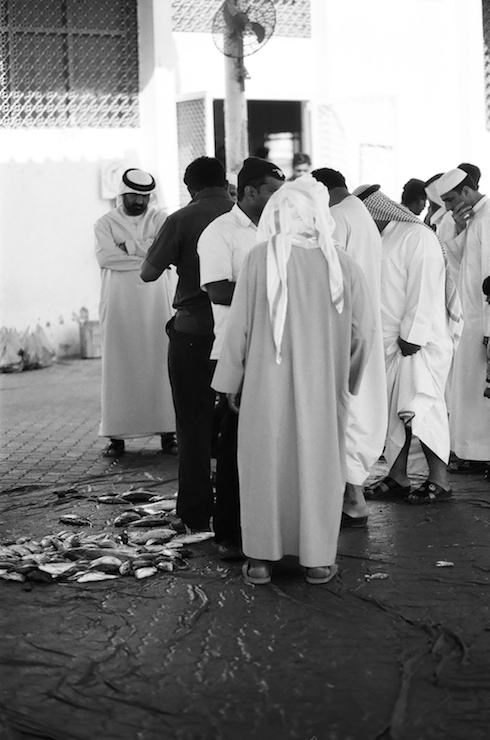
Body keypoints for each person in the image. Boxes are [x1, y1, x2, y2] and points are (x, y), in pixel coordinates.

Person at [212, 176, 375, 585]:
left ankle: (262, 562)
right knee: (318, 468)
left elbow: (238, 330)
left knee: (264, 467)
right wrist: (347, 382)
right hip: (323, 393)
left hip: (265, 392)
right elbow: (364, 334)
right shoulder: (343, 265)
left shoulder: (259, 258)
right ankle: (317, 561)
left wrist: (231, 381)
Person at [197, 157, 285, 560]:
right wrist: (275, 291)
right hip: (236, 354)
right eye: (272, 191)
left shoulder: (283, 232)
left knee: (276, 446)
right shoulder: (221, 232)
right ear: (250, 191)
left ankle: (273, 529)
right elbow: (216, 290)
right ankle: (229, 533)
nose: (279, 199)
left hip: (279, 353)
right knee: (234, 447)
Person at [140, 157, 234, 532]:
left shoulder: (181, 219)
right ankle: (235, 511)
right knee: (238, 423)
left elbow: (148, 273)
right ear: (226, 181)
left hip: (193, 332)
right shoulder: (248, 215)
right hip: (238, 335)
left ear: (190, 186)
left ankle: (196, 512)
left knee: (192, 423)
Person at [353, 184, 461, 504]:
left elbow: (425, 289)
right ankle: (397, 477)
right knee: (393, 414)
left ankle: (439, 481)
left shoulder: (416, 236)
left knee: (423, 410)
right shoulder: (376, 239)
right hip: (388, 343)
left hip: (418, 342)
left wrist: (411, 338)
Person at [312, 168, 387, 527]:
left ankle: (352, 500)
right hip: (366, 324)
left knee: (344, 412)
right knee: (358, 408)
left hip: (347, 329)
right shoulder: (359, 211)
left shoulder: (337, 217)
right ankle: (350, 496)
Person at [94, 168, 177, 458]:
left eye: (144, 197)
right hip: (118, 305)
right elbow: (106, 258)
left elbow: (165, 253)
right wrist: (149, 256)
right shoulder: (105, 223)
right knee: (119, 367)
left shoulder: (160, 219)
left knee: (160, 363)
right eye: (134, 196)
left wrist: (128, 247)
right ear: (122, 194)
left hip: (156, 305)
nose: (140, 202)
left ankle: (168, 433)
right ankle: (117, 438)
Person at [436, 168, 490, 473]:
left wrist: (488, 329)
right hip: (471, 320)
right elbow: (459, 267)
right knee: (470, 392)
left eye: (450, 199)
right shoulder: (472, 220)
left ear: (466, 193)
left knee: (483, 393)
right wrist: (458, 229)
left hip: (485, 320)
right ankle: (473, 452)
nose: (447, 206)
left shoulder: (489, 217)